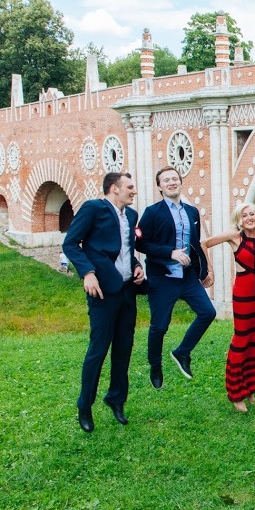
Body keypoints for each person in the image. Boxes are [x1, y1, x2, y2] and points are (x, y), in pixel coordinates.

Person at [62, 172, 146, 432]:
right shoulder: (93, 209)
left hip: (127, 291)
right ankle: (84, 405)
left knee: (124, 348)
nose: (133, 191)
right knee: (98, 351)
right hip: (102, 293)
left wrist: (136, 265)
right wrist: (87, 272)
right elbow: (70, 244)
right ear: (114, 188)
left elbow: (125, 250)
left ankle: (116, 399)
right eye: (129, 187)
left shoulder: (131, 215)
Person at [201, 203, 255, 413]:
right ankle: (235, 392)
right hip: (243, 293)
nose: (249, 218)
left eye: (252, 214)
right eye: (245, 215)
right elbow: (204, 243)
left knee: (253, 340)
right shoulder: (235, 237)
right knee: (241, 340)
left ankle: (249, 388)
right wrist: (209, 270)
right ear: (239, 219)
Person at [136, 167, 216, 390]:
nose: (171, 183)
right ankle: (155, 365)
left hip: (187, 276)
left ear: (181, 183)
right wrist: (169, 253)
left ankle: (182, 352)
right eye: (166, 180)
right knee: (160, 326)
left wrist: (205, 271)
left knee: (208, 312)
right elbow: (140, 243)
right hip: (162, 277)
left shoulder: (192, 212)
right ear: (160, 187)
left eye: (175, 179)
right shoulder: (152, 213)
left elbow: (195, 245)